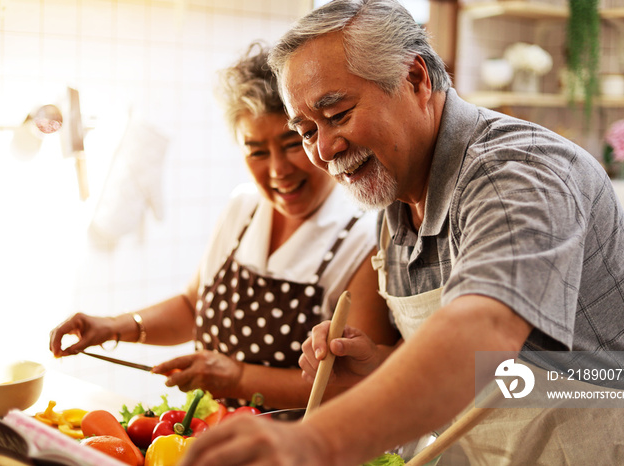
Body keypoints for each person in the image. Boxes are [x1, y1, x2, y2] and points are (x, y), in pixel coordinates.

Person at [177, 1, 624, 465]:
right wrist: (377, 366)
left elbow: (484, 332)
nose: (324, 150)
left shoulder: (516, 170)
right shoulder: (394, 198)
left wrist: (314, 441)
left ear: (415, 78)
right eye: (306, 131)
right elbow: (482, 370)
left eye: (337, 114)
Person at [49, 41, 399, 410]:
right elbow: (192, 306)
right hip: (212, 434)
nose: (278, 170)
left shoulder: (364, 238)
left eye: (292, 143)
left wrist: (237, 378)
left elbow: (354, 387)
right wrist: (114, 327)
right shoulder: (243, 209)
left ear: (317, 136)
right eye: (257, 152)